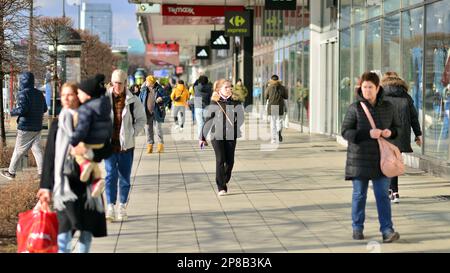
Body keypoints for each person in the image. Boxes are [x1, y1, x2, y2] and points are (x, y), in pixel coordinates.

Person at [37, 82, 108, 253]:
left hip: (87, 184)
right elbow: (50, 157)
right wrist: (45, 187)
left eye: (70, 94)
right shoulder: (57, 124)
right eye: (63, 95)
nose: (66, 98)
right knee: (64, 231)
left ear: (78, 96)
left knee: (85, 230)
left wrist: (89, 150)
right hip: (65, 186)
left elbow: (106, 148)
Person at [341, 71, 401, 243]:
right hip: (359, 159)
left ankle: (387, 231)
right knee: (360, 194)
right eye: (364, 87)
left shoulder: (388, 107)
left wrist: (391, 132)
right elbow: (345, 132)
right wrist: (368, 133)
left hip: (382, 160)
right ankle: (357, 227)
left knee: (383, 195)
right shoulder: (355, 108)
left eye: (370, 87)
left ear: (377, 88)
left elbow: (398, 128)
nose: (366, 90)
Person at [105, 69, 146, 222]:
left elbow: (141, 119)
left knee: (124, 178)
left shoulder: (133, 100)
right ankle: (110, 206)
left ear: (125, 84)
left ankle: (122, 206)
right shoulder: (104, 99)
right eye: (115, 83)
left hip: (126, 146)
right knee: (110, 175)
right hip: (109, 145)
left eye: (120, 83)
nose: (117, 86)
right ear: (111, 83)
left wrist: (132, 132)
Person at [381, 71, 423, 204]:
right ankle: (393, 190)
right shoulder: (406, 97)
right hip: (402, 134)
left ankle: (392, 191)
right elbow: (414, 117)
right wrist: (418, 134)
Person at [199, 79, 245, 197]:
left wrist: (236, 125)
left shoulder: (235, 102)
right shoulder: (214, 103)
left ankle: (224, 178)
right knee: (220, 160)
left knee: (230, 161)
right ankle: (221, 187)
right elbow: (208, 121)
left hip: (231, 135)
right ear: (219, 90)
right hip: (217, 135)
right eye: (226, 87)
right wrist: (202, 137)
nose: (229, 89)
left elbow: (241, 118)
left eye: (230, 87)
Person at [69, 77, 112, 198]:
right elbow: (109, 126)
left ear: (87, 95)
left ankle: (84, 165)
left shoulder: (85, 109)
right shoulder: (104, 106)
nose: (78, 95)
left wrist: (73, 141)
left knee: (78, 154)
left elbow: (82, 128)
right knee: (93, 163)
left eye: (80, 93)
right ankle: (97, 181)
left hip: (89, 141)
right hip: (101, 142)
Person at [1, 72, 47, 180]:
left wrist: (12, 112)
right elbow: (44, 109)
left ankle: (11, 172)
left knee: (18, 150)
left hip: (25, 127)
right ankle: (42, 173)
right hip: (37, 126)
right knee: (37, 150)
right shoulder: (39, 93)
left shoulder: (23, 93)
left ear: (22, 81)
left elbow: (23, 109)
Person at [140, 75, 169, 154]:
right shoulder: (144, 90)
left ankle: (160, 146)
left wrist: (162, 98)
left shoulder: (159, 89)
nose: (146, 82)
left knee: (158, 129)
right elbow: (140, 100)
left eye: (147, 81)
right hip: (146, 113)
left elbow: (167, 97)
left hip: (157, 112)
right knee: (148, 130)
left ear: (152, 82)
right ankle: (150, 146)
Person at [265, 75, 288, 143]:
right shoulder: (282, 87)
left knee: (273, 123)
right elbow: (286, 97)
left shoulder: (269, 88)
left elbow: (265, 96)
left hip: (272, 106)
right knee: (280, 121)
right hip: (280, 106)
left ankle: (274, 139)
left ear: (271, 80)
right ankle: (279, 132)